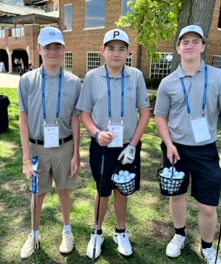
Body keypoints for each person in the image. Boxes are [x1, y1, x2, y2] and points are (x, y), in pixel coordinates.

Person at [154, 25, 221, 264]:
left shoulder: (219, 77)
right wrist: (168, 143)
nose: (190, 45)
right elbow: (160, 116)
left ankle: (207, 247)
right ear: (178, 48)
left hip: (206, 150)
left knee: (207, 205)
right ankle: (180, 235)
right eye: (185, 42)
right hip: (175, 149)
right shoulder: (168, 82)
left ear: (203, 46)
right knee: (177, 196)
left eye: (196, 41)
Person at [76, 28, 150, 259]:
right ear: (103, 51)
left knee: (122, 188)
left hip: (128, 144)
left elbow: (145, 113)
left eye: (121, 49)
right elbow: (84, 114)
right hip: (102, 145)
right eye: (111, 48)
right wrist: (97, 133)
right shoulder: (92, 77)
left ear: (128, 52)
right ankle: (97, 231)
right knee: (103, 190)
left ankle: (121, 231)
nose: (116, 53)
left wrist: (133, 145)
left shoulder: (136, 76)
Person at [18, 26, 81, 259]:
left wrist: (77, 154)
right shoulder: (27, 80)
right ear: (39, 50)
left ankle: (67, 231)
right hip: (36, 148)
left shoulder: (74, 82)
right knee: (38, 194)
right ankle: (34, 234)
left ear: (64, 48)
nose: (52, 51)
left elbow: (76, 119)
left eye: (57, 47)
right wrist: (26, 158)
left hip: (64, 147)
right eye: (48, 47)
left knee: (64, 191)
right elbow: (22, 120)